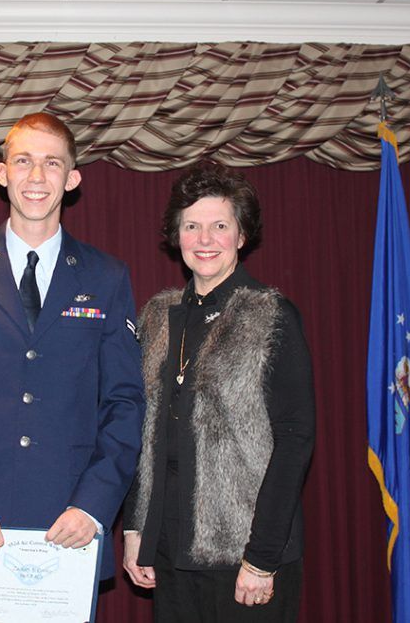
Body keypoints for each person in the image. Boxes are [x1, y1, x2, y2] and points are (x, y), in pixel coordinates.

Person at [0, 112, 145, 622]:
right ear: (1, 173)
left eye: (52, 164)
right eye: (24, 162)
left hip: (67, 533)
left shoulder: (107, 276)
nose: (37, 178)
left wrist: (93, 507)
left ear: (73, 178)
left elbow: (125, 403)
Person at [123, 165, 315, 623]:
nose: (204, 238)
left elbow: (295, 440)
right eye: (192, 226)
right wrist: (136, 530)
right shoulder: (155, 316)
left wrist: (262, 557)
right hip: (169, 553)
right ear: (177, 235)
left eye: (219, 226)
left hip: (245, 556)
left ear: (242, 236)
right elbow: (140, 434)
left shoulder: (271, 315)